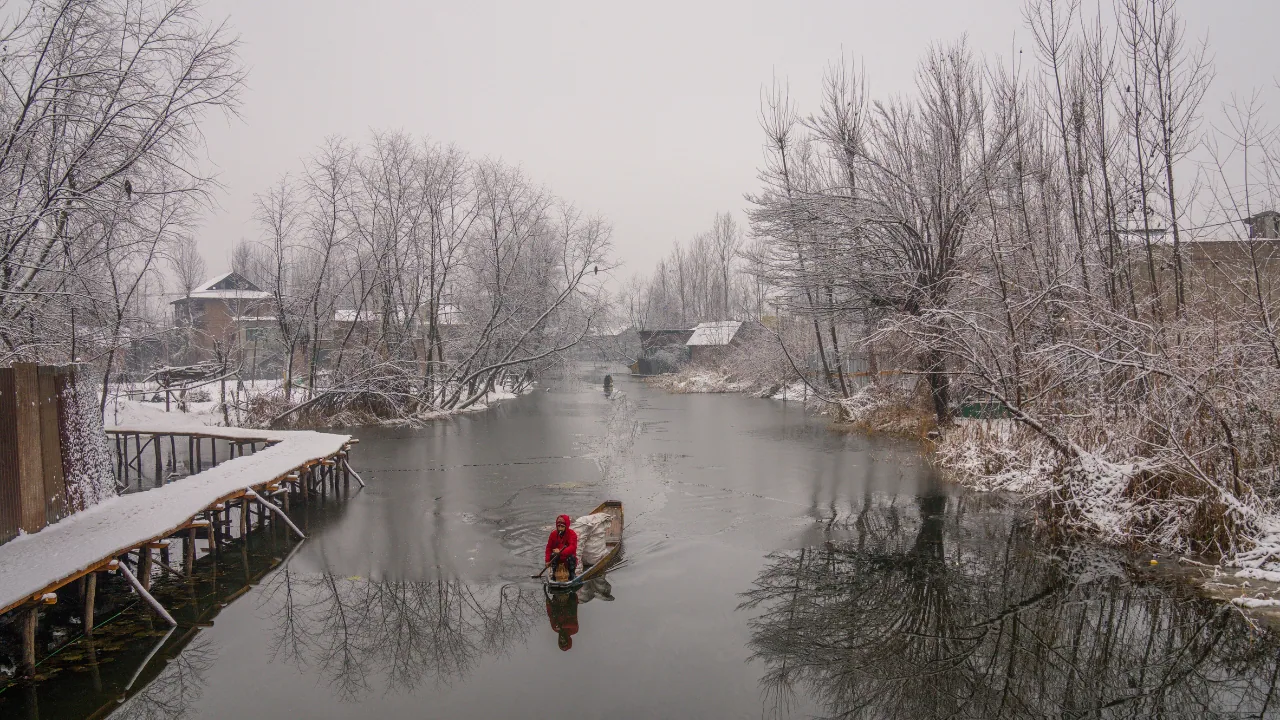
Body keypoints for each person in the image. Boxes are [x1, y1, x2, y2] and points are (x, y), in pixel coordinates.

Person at [545, 514, 578, 581]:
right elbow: (548, 548)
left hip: (567, 558)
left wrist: (560, 552)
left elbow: (572, 547)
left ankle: (572, 575)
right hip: (557, 558)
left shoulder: (572, 534)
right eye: (558, 526)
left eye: (562, 526)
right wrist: (547, 560)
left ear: (566, 526)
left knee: (571, 557)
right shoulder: (553, 534)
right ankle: (554, 575)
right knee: (553, 555)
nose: (560, 528)